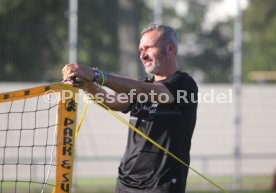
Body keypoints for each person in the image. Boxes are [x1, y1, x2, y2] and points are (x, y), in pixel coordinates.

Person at [62, 23, 198, 193]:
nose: (143, 55)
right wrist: (86, 84)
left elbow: (145, 91)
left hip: (161, 186)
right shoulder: (142, 85)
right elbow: (111, 100)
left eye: (148, 48)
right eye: (141, 50)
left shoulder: (184, 84)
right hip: (126, 183)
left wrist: (96, 75)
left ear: (170, 49)